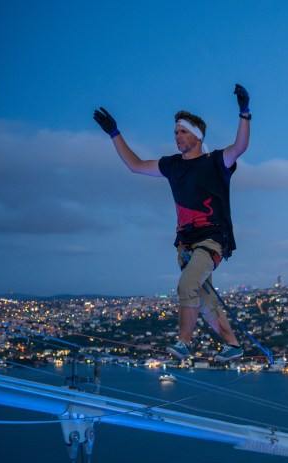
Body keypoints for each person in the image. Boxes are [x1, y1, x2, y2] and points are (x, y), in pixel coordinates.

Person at [92, 84, 252, 361]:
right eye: (175, 132)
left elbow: (240, 146)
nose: (177, 136)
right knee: (205, 300)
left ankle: (184, 342)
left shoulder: (215, 161)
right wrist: (114, 133)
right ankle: (233, 346)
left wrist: (244, 112)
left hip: (212, 239)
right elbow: (135, 165)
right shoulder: (172, 165)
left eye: (183, 131)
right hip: (184, 245)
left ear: (198, 136)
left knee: (186, 285)